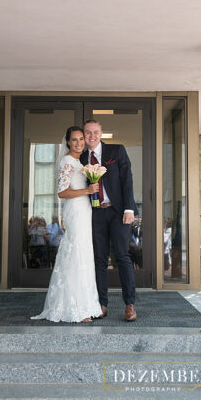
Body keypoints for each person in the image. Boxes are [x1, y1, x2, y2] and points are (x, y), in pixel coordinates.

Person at [31, 126, 101, 323]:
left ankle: (86, 305)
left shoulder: (80, 161)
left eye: (81, 139)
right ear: (68, 142)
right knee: (76, 254)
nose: (79, 143)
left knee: (84, 254)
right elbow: (62, 193)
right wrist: (87, 191)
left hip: (85, 210)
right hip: (75, 210)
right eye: (74, 140)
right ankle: (74, 307)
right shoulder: (67, 162)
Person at [80, 119, 139, 321]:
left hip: (118, 212)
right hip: (95, 213)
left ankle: (130, 304)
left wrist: (130, 208)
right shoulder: (80, 159)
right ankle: (101, 304)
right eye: (88, 132)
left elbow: (127, 180)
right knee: (99, 259)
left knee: (122, 256)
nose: (92, 136)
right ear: (84, 135)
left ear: (101, 133)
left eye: (95, 132)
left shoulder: (116, 151)